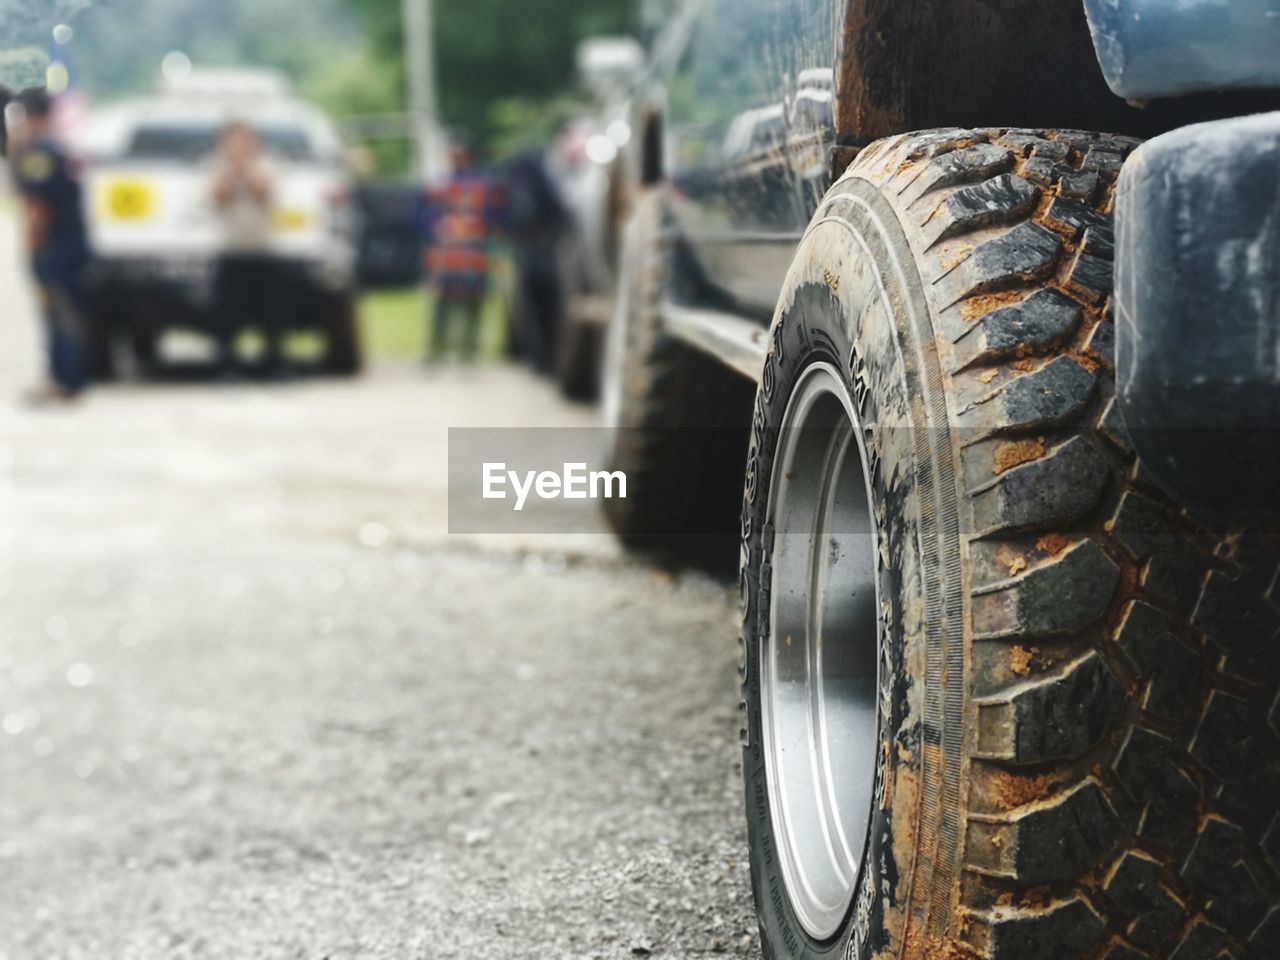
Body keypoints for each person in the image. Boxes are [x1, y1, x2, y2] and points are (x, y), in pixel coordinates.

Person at [7, 87, 91, 404]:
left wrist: (33, 247)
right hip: (66, 244)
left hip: (56, 247)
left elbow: (37, 206)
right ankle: (62, 378)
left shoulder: (41, 154)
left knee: (61, 315)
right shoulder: (51, 150)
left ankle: (66, 380)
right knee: (60, 316)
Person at [210, 121, 286, 377]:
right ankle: (228, 364)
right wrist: (232, 169)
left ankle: (273, 363)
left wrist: (246, 168)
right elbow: (216, 195)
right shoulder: (217, 165)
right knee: (229, 312)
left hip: (262, 249)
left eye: (245, 140)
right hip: (231, 249)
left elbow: (266, 192)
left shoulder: (266, 163)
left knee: (271, 311)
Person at [420, 143, 506, 363]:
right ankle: (436, 350)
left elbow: (496, 217)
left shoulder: (483, 186)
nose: (455, 161)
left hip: (473, 254)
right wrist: (433, 230)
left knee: (473, 305)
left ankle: (468, 351)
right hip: (447, 255)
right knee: (442, 305)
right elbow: (422, 214)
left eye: (459, 156)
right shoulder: (440, 185)